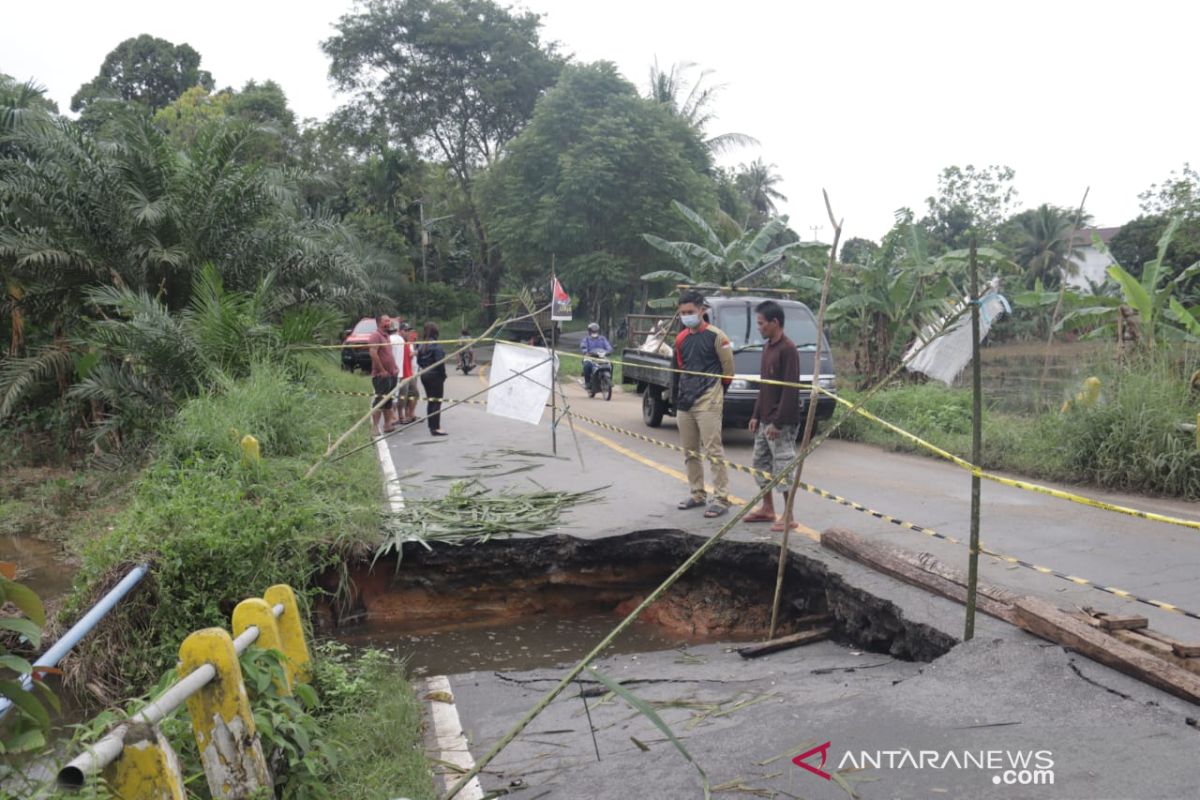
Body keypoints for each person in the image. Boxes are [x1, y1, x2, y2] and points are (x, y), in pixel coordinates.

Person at [673, 290, 735, 518]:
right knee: (690, 452)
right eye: (683, 313)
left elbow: (728, 371)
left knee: (713, 450)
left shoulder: (718, 337)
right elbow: (680, 367)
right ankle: (697, 493)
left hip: (709, 398)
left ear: (702, 310)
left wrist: (717, 392)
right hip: (685, 400)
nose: (687, 316)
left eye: (690, 312)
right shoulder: (680, 338)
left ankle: (721, 498)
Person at [743, 300, 802, 532]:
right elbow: (764, 386)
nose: (759, 327)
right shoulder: (767, 347)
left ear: (774, 322)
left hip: (782, 423)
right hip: (765, 420)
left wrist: (778, 422)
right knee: (760, 463)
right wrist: (756, 415)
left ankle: (789, 515)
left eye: (761, 323)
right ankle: (767, 508)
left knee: (783, 466)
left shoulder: (789, 350)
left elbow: (790, 389)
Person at [367, 314, 399, 435]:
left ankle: (387, 424)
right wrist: (381, 370)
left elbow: (389, 355)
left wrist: (395, 367)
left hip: (391, 374)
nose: (389, 323)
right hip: (381, 376)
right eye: (386, 321)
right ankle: (375, 427)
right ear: (379, 322)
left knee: (388, 400)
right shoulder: (376, 336)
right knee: (380, 400)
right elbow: (373, 354)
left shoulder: (387, 336)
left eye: (389, 320)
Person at [417, 322, 449, 436]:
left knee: (431, 401)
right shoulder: (436, 345)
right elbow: (440, 363)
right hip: (435, 376)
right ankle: (436, 427)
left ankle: (432, 426)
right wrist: (443, 375)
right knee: (436, 402)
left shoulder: (421, 345)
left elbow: (418, 361)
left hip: (424, 374)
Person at [400, 323, 421, 423]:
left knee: (413, 394)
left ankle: (410, 414)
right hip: (405, 373)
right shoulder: (402, 343)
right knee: (408, 395)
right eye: (406, 330)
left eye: (409, 330)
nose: (408, 332)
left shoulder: (408, 343)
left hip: (412, 372)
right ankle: (405, 415)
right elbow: (407, 356)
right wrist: (415, 353)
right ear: (401, 331)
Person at [580, 322, 613, 387]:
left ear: (598, 330)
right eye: (592, 330)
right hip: (590, 357)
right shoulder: (586, 339)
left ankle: (608, 379)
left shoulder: (602, 338)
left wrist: (609, 351)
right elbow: (583, 347)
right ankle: (587, 382)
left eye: (595, 330)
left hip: (602, 357)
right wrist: (586, 352)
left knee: (610, 364)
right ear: (589, 331)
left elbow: (608, 346)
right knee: (587, 366)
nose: (594, 332)